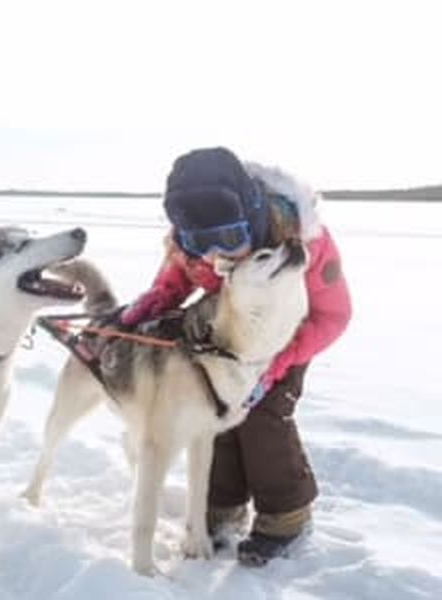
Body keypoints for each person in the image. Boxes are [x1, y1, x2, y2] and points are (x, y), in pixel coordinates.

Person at [121, 147, 352, 566]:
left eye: (228, 239)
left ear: (255, 214)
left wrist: (281, 363)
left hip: (286, 337)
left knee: (262, 412)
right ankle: (223, 504)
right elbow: (179, 274)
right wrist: (155, 301)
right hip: (228, 336)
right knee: (215, 407)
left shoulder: (304, 238)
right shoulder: (196, 243)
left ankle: (287, 515)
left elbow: (334, 315)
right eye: (197, 242)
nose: (213, 255)